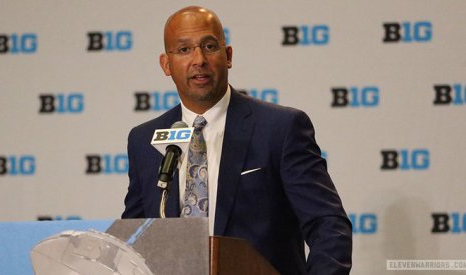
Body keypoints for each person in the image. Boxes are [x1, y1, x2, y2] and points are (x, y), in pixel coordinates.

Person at [122, 6, 352, 274]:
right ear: (165, 64)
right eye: (184, 49)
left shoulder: (279, 128)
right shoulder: (144, 140)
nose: (199, 59)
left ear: (228, 55)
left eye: (209, 46)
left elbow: (328, 225)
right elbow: (133, 239)